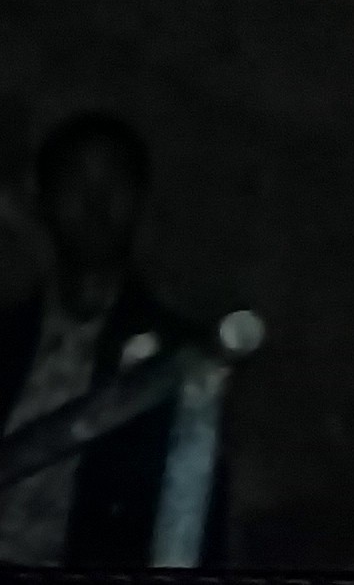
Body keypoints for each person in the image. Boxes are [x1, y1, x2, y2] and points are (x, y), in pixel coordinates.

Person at [0, 114, 221, 568]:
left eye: (114, 181)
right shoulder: (7, 337)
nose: (95, 201)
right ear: (43, 200)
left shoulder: (176, 361)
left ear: (139, 200)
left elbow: (193, 512)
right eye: (75, 180)